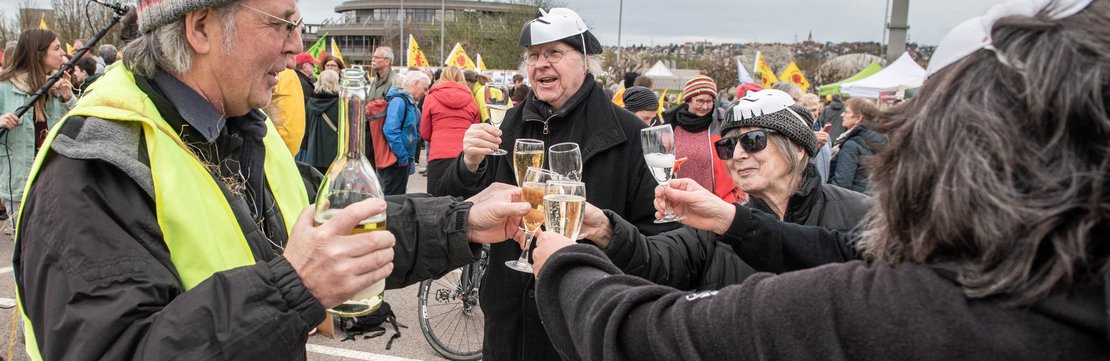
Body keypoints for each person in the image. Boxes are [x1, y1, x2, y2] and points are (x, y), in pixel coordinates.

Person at [532, 0, 1110, 359]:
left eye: (754, 140)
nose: (738, 154)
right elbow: (661, 259)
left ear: (802, 150)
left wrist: (561, 262)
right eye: (729, 144)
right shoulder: (725, 219)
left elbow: (653, 334)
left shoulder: (868, 230)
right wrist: (607, 230)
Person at [10, 0, 536, 359]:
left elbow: (341, 230)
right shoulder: (96, 165)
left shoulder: (236, 132)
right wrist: (294, 288)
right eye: (282, 25)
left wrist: (463, 219)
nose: (295, 47)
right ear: (200, 28)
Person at [435, 8, 677, 360]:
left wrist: (606, 231)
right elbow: (449, 210)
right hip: (508, 329)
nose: (541, 64)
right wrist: (468, 164)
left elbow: (660, 248)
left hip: (585, 329)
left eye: (554, 53)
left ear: (585, 61)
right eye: (533, 56)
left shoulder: (629, 135)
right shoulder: (508, 126)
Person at [0, 28, 74, 234]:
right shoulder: (4, 86)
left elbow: (80, 127)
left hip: (55, 180)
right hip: (19, 184)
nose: (62, 54)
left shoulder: (58, 86)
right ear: (38, 53)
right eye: (57, 48)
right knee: (25, 249)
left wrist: (69, 98)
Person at [662, 75, 743, 203]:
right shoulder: (670, 126)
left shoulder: (724, 124)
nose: (705, 106)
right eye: (699, 101)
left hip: (718, 201)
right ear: (688, 100)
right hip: (678, 200)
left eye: (709, 101)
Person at [421, 66, 480, 194]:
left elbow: (425, 132)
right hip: (464, 157)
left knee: (435, 201)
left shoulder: (431, 98)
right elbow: (476, 129)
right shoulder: (471, 100)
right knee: (463, 202)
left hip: (438, 156)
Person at [379, 71, 429, 195]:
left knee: (396, 197)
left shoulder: (407, 102)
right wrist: (402, 157)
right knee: (392, 200)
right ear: (416, 83)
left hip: (400, 161)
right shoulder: (400, 101)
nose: (425, 92)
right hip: (395, 162)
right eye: (425, 88)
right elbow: (390, 130)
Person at [830, 97, 885, 194]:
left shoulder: (852, 145)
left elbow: (841, 184)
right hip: (874, 199)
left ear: (858, 118)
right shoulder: (882, 138)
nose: (842, 115)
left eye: (846, 112)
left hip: (853, 202)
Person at [304, 69, 340, 174]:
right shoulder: (339, 103)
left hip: (313, 153)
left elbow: (307, 127)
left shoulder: (311, 102)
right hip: (334, 153)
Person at [798, 93, 832, 182]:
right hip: (809, 189)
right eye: (808, 111)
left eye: (814, 110)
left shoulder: (824, 132)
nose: (812, 114)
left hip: (824, 188)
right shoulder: (798, 134)